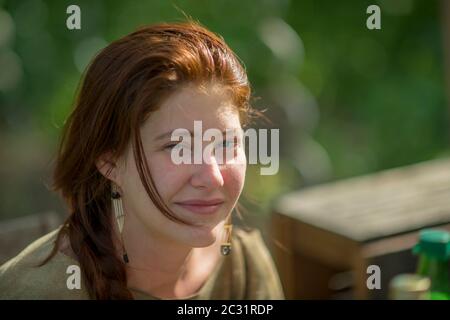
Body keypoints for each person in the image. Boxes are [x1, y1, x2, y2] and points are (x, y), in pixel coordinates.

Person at [0, 21, 284, 300]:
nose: (213, 177)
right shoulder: (38, 291)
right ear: (108, 160)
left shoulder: (244, 267)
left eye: (226, 144)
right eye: (177, 147)